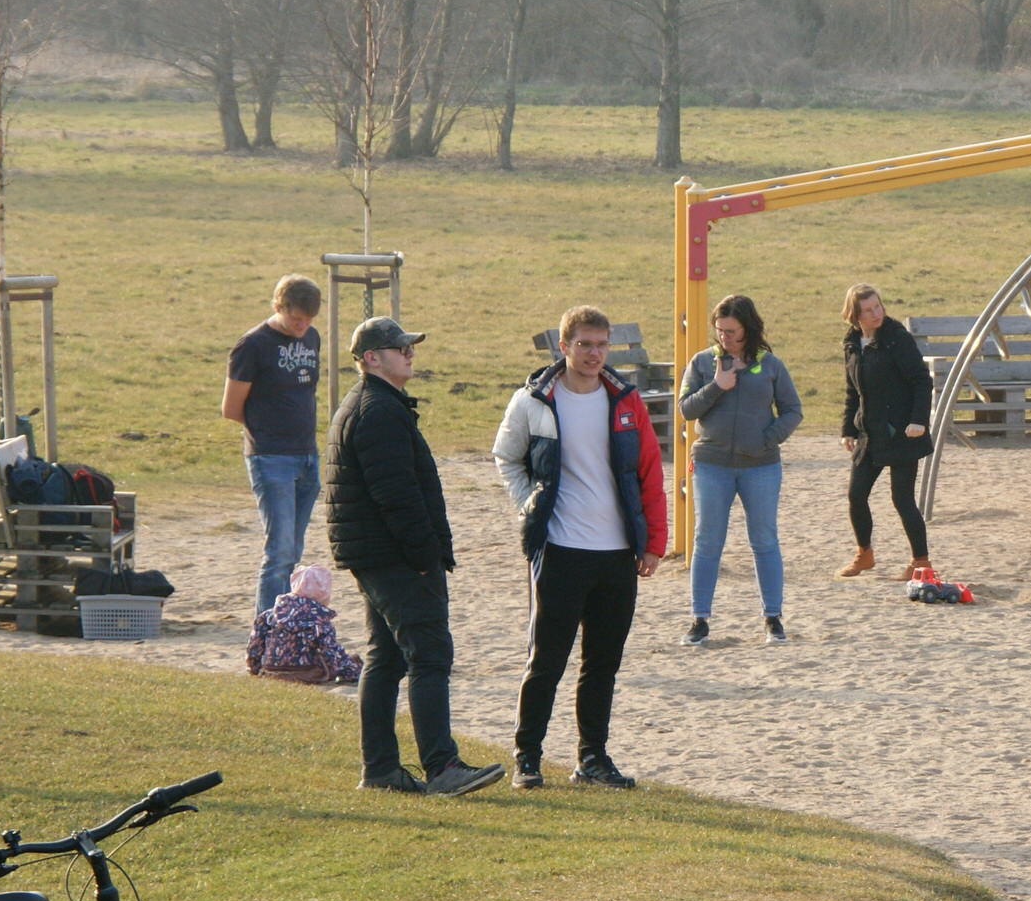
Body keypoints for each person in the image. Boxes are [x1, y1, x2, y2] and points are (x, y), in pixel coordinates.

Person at [325, 316, 504, 797]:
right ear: (371, 358)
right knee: (428, 653)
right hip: (394, 556)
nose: (410, 353)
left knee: (385, 658)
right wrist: (426, 555)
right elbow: (397, 497)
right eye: (400, 347)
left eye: (409, 346)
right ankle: (441, 766)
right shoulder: (377, 410)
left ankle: (381, 769)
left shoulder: (374, 405)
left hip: (377, 554)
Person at [492, 306, 667, 790]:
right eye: (584, 344)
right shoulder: (533, 401)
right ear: (564, 347)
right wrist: (529, 505)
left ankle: (592, 758)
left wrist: (653, 544)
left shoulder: (627, 402)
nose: (593, 354)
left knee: (602, 663)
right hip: (560, 550)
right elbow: (505, 457)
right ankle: (526, 758)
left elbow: (650, 474)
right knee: (546, 659)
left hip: (617, 554)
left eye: (601, 345)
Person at [677, 294, 802, 646]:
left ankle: (773, 618)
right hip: (711, 464)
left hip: (760, 466)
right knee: (707, 541)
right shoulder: (702, 362)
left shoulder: (771, 365)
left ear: (748, 328)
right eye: (719, 331)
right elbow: (685, 409)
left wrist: (768, 439)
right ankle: (699, 619)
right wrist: (718, 385)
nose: (724, 338)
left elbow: (793, 410)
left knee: (764, 540)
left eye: (731, 331)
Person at [223, 274, 324, 616]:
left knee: (293, 550)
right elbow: (231, 407)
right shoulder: (252, 345)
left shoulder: (312, 337)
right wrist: (268, 434)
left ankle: (285, 623)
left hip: (307, 455)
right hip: (271, 457)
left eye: (309, 319)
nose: (302, 325)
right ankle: (266, 632)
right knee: (279, 552)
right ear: (278, 307)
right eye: (296, 318)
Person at [837, 284, 933, 579]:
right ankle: (864, 554)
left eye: (878, 306)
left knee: (902, 499)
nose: (876, 313)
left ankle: (921, 562)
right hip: (869, 433)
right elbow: (853, 391)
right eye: (868, 310)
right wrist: (848, 429)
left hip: (904, 433)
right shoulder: (852, 343)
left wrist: (919, 420)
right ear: (855, 315)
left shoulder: (897, 339)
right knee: (856, 495)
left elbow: (921, 381)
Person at [245, 563, 361, 687]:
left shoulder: (269, 616)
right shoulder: (319, 621)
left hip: (271, 672)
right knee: (354, 661)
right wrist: (351, 672)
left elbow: (254, 648)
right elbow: (331, 653)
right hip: (307, 673)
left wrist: (255, 669)